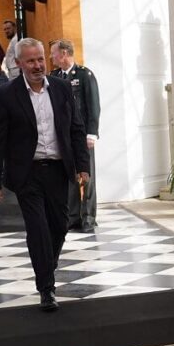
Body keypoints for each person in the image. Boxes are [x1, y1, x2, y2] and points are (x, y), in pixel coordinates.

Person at [0, 38, 90, 312]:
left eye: (40, 59)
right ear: (19, 64)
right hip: (26, 173)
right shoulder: (7, 94)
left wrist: (82, 166)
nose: (37, 65)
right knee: (38, 229)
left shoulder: (63, 89)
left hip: (57, 169)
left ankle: (46, 267)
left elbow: (76, 129)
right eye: (30, 61)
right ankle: (47, 287)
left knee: (58, 226)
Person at [50, 39, 101, 232]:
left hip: (82, 135)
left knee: (87, 176)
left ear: (63, 53)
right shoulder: (54, 76)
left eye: (53, 53)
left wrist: (92, 133)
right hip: (63, 135)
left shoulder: (84, 75)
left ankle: (88, 217)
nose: (51, 56)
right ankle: (72, 217)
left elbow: (93, 104)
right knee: (70, 176)